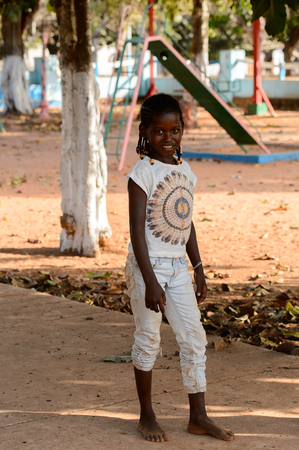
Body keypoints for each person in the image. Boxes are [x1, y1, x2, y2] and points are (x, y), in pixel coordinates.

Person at [125, 93, 234, 443]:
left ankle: (198, 417)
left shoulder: (185, 171)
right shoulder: (142, 174)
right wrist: (151, 281)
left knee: (194, 338)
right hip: (148, 268)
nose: (167, 138)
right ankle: (147, 416)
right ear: (145, 132)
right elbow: (137, 234)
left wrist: (198, 266)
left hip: (178, 269)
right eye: (159, 132)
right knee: (149, 338)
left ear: (182, 131)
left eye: (174, 130)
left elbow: (185, 221)